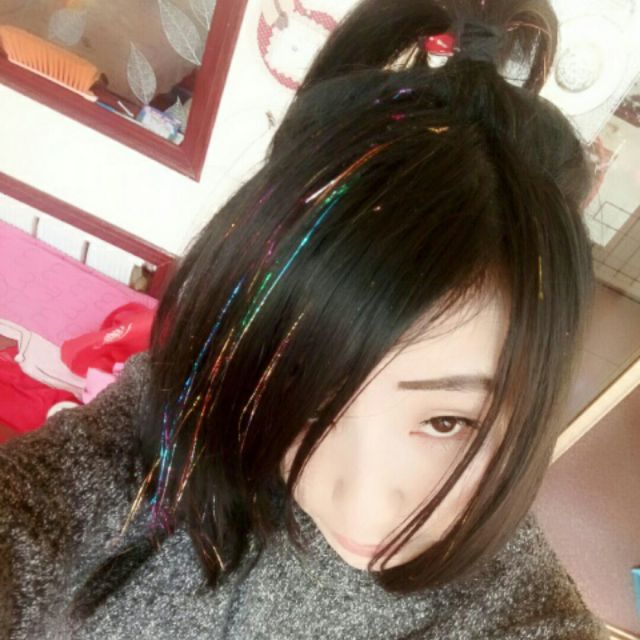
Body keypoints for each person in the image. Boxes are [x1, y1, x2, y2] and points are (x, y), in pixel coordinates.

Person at [0, 0, 610, 638]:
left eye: (445, 422)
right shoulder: (193, 409)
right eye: (303, 393)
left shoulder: (519, 616)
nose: (363, 508)